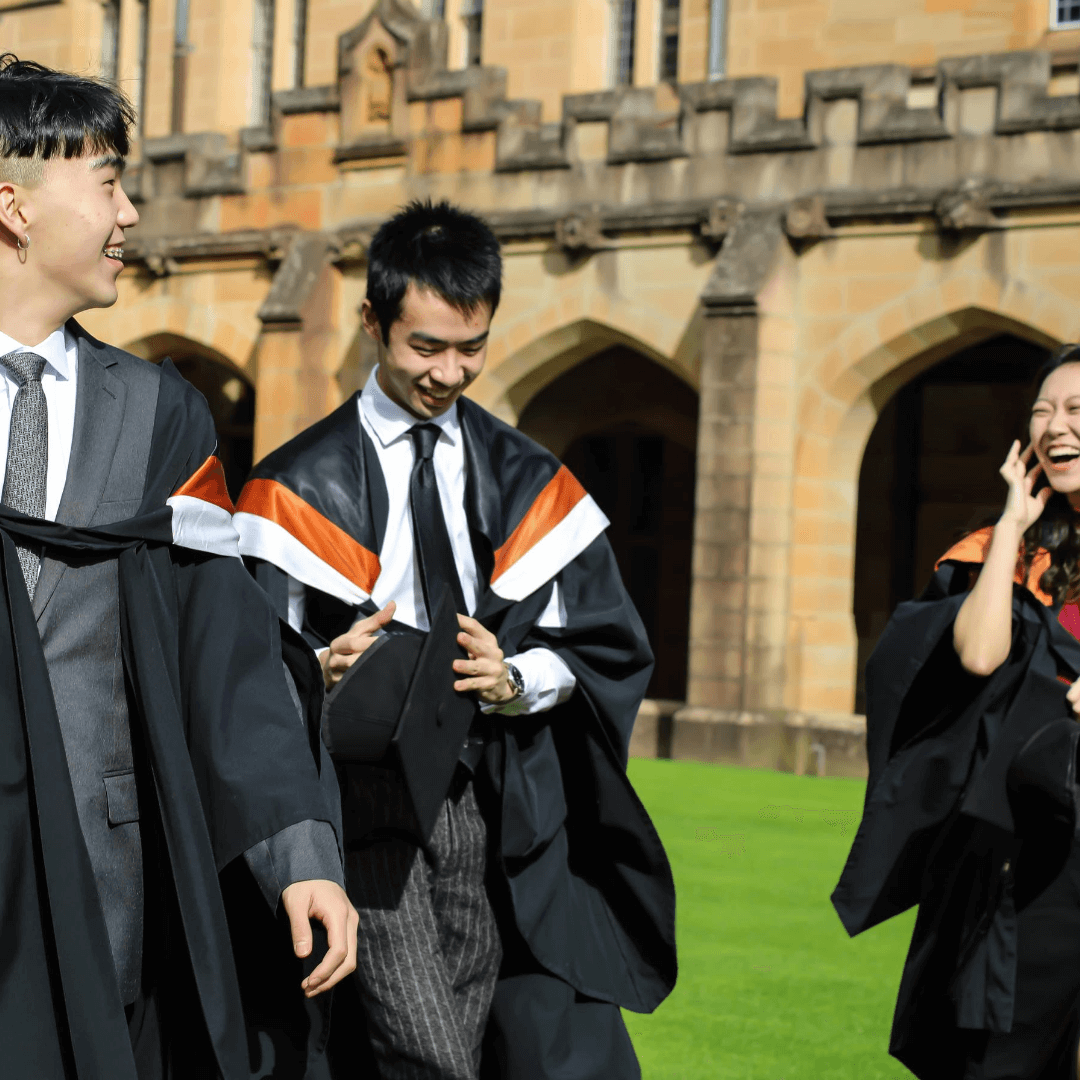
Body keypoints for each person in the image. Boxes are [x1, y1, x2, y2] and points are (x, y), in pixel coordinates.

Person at [235, 199, 677, 1080]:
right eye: (425, 347)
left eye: (470, 347)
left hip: (489, 794)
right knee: (427, 1050)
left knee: (476, 1034)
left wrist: (513, 677)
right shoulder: (291, 489)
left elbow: (604, 649)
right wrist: (317, 670)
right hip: (360, 802)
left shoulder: (526, 478)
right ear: (373, 321)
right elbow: (238, 678)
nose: (449, 372)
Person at [0, 54, 358, 1079]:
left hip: (101, 870)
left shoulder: (160, 416)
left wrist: (298, 854)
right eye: (108, 182)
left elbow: (229, 655)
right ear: (14, 206)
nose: (130, 213)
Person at [833, 344, 1080, 1080]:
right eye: (1043, 411)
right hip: (1037, 856)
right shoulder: (1022, 549)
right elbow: (978, 653)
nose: (1056, 426)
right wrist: (1012, 521)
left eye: (1076, 410)